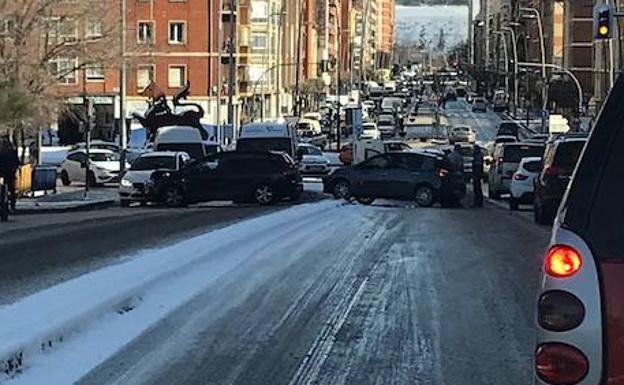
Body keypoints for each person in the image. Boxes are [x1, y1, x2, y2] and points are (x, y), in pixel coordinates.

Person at [0, 137, 20, 211]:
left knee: (3, 191)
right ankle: (12, 205)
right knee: (12, 190)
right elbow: (17, 163)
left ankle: (4, 206)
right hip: (11, 174)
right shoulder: (12, 152)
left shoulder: (1, 153)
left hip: (3, 175)